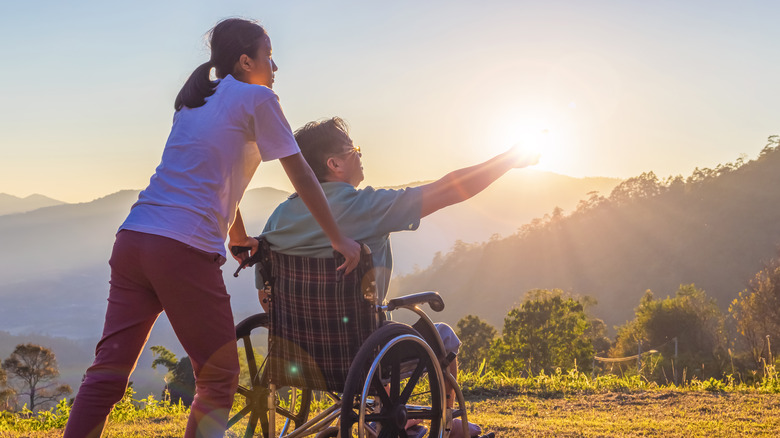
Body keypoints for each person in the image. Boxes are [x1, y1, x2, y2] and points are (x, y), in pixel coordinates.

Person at [63, 20, 360, 438]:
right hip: (181, 249)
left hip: (134, 238)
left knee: (108, 372)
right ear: (245, 61)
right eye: (268, 55)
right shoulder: (259, 98)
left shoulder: (194, 101)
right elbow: (303, 177)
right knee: (219, 378)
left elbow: (215, 177)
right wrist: (338, 238)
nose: (275, 65)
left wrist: (237, 237)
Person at [258, 117, 538, 438]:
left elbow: (265, 297)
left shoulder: (277, 218)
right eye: (354, 150)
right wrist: (508, 160)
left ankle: (376, 421)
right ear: (334, 164)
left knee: (383, 337)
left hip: (298, 351)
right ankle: (446, 425)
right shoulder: (363, 206)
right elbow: (449, 190)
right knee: (441, 336)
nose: (360, 156)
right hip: (362, 350)